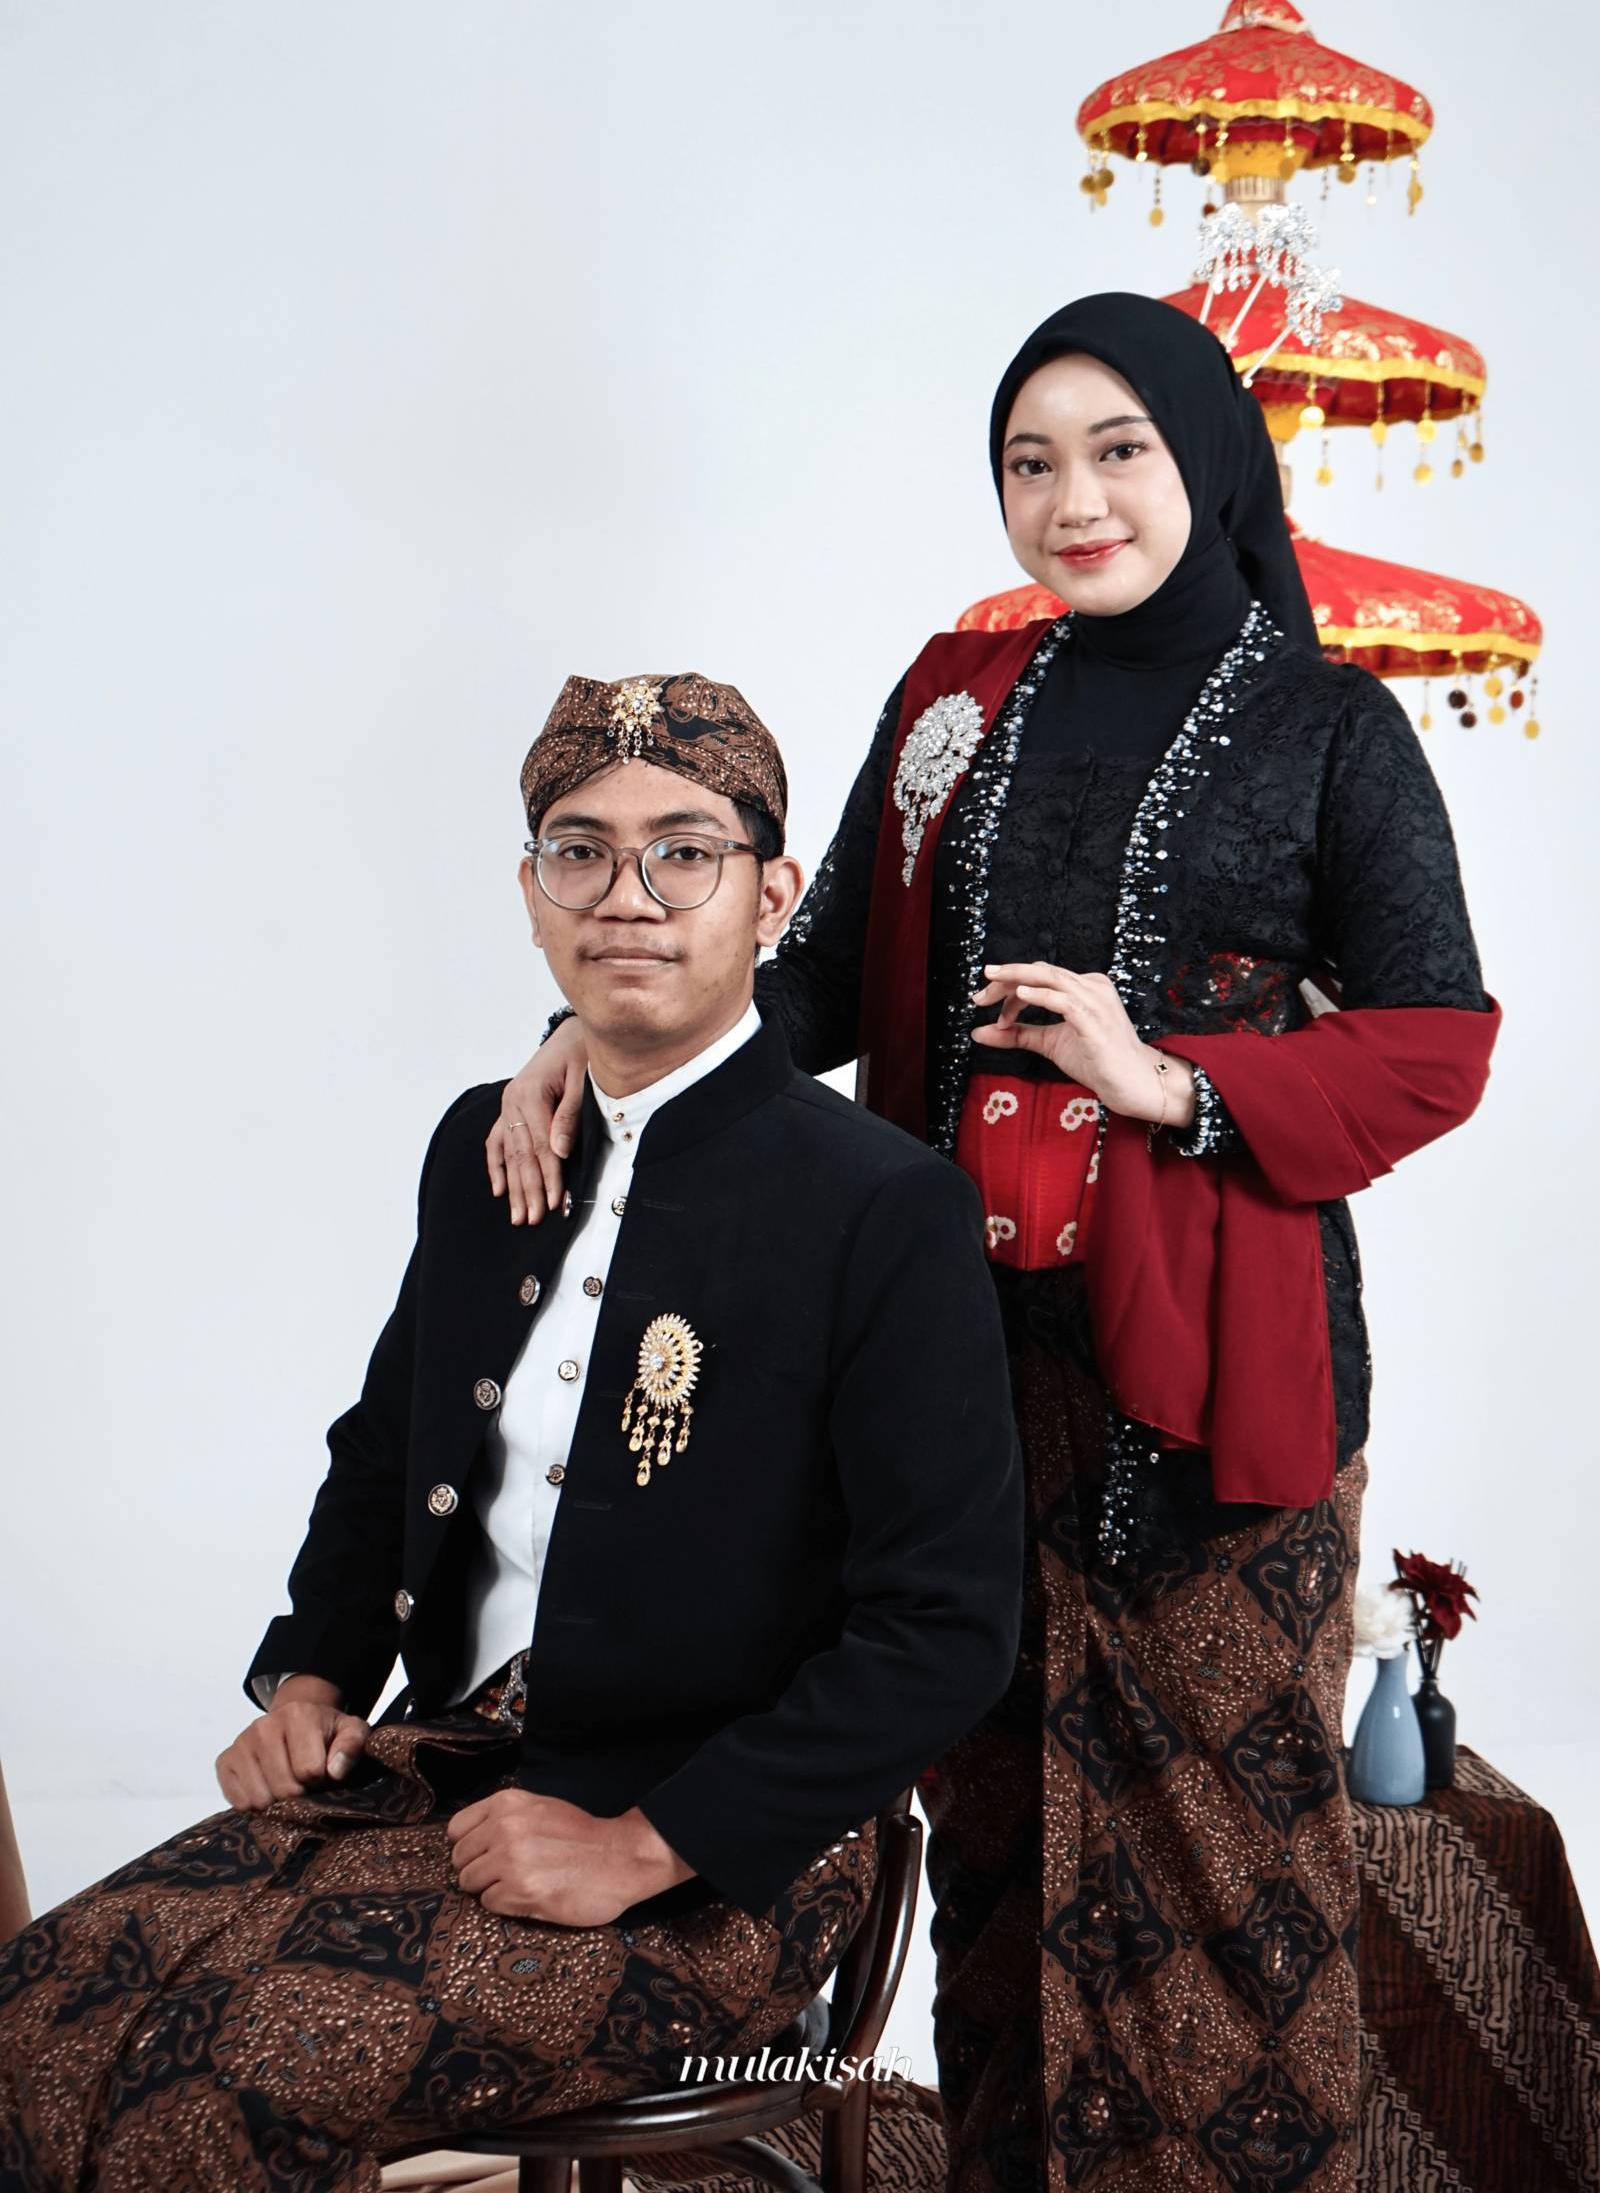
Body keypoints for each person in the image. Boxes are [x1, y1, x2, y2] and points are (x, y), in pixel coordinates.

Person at [489, 297, 1500, 2192]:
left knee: (1225, 1866)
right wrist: (592, 1033)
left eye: (1118, 451)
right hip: (943, 1354)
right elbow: (809, 979)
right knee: (992, 1829)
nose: (1072, 500)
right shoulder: (958, 695)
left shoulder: (1328, 728)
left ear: (1207, 458)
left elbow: (1436, 1043)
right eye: (1031, 463)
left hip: (1209, 1375)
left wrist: (1170, 1079)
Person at [0, 670, 1024, 2193]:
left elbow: (946, 1630)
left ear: (773, 896)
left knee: (206, 2099)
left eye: (685, 853)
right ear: (532, 893)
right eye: (579, 852)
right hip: (447, 1774)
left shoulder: (882, 1207)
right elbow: (384, 1447)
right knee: (35, 2017)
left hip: (722, 1862)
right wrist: (312, 1676)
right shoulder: (485, 1147)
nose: (628, 897)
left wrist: (645, 1844)